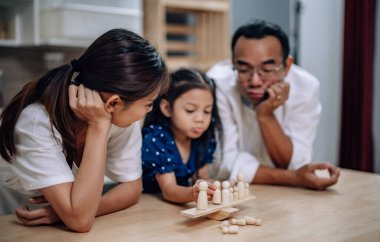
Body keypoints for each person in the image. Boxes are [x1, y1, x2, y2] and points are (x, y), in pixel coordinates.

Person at [0, 28, 169, 232]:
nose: (148, 111)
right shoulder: (37, 122)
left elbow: (132, 189)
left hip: (56, 222)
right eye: (148, 103)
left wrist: (65, 212)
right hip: (11, 218)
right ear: (114, 103)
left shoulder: (120, 118)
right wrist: (98, 127)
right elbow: (80, 221)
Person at [207, 20, 340, 190]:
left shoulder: (306, 87)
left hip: (283, 193)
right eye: (244, 69)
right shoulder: (218, 84)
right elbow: (226, 163)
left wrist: (265, 115)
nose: (255, 81)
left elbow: (296, 162)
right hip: (232, 190)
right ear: (232, 63)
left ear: (287, 66)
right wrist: (294, 178)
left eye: (268, 69)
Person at [141, 68, 222, 203]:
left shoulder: (201, 136)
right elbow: (169, 189)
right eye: (190, 110)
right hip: (148, 206)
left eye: (207, 111)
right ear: (167, 108)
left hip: (177, 204)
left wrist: (214, 188)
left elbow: (202, 176)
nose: (200, 119)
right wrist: (193, 193)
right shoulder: (157, 138)